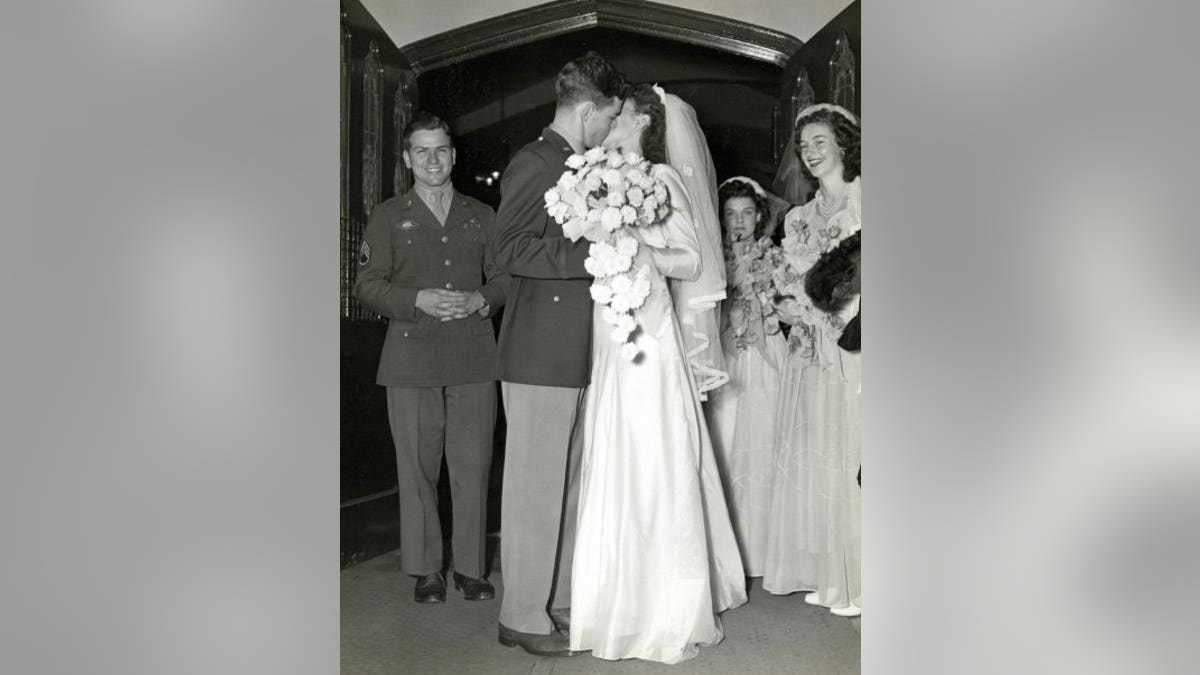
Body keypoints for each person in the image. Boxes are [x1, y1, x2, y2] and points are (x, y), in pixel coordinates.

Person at [569, 83, 748, 665]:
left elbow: (692, 259)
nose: (611, 121)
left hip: (650, 333)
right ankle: (609, 602)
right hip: (610, 333)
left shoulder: (662, 180)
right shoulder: (596, 176)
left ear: (643, 121)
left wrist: (643, 250)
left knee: (654, 453)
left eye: (619, 113)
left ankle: (665, 605)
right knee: (616, 449)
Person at [491, 52, 625, 657]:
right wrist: (590, 257)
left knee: (568, 484)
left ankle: (556, 599)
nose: (610, 130)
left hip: (575, 348)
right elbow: (508, 249)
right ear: (588, 110)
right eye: (609, 118)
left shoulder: (576, 164)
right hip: (538, 350)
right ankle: (520, 613)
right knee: (533, 487)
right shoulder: (535, 161)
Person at [354, 112, 509, 605]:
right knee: (418, 468)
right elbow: (366, 284)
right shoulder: (387, 216)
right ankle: (427, 570)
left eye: (440, 149)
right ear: (406, 158)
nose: (432, 159)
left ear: (454, 154)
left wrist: (483, 299)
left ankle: (470, 569)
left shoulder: (482, 214)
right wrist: (415, 299)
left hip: (472, 355)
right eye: (421, 151)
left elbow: (506, 277)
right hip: (411, 359)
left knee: (473, 465)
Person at [762, 103, 862, 617]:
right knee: (818, 450)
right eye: (804, 145)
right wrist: (786, 303)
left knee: (852, 452)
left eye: (820, 141)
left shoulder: (864, 203)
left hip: (852, 340)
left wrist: (830, 313)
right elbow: (790, 277)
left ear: (844, 143)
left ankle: (860, 578)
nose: (811, 151)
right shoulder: (798, 218)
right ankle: (830, 571)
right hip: (808, 347)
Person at [705, 176, 788, 579]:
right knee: (725, 437)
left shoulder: (774, 256)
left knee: (764, 438)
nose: (739, 222)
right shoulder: (711, 259)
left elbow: (788, 303)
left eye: (747, 213)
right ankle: (727, 551)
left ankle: (766, 549)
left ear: (760, 217)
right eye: (731, 214)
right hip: (725, 353)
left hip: (765, 352)